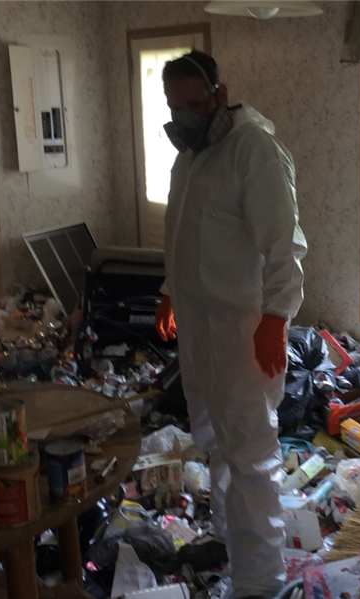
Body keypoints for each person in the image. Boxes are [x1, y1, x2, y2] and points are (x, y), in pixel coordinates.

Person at [154, 50, 307, 599]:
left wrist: (275, 317)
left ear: (220, 94)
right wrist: (171, 292)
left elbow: (282, 243)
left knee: (250, 454)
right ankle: (231, 543)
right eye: (176, 106)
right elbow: (182, 235)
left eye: (196, 103)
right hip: (200, 328)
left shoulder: (253, 149)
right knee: (213, 441)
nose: (187, 115)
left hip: (244, 329)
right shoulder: (190, 158)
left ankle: (261, 581)